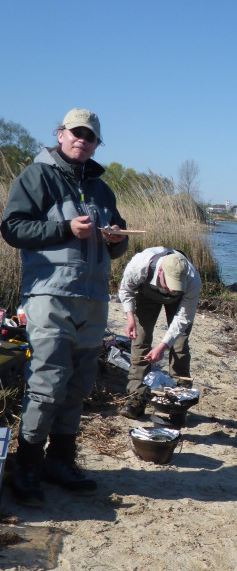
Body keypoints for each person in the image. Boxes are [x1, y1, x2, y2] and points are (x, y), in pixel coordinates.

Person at [1, 109, 128, 504]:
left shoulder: (103, 190)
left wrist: (116, 239)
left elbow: (120, 242)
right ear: (60, 135)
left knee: (78, 384)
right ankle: (26, 467)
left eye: (90, 136)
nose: (82, 140)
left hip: (93, 302)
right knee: (47, 382)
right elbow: (12, 228)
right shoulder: (36, 176)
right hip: (49, 295)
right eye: (76, 133)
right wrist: (64, 229)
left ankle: (61, 461)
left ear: (96, 144)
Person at [118, 247, 201, 418]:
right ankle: (136, 398)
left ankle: (178, 402)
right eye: (170, 285)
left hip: (178, 304)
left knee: (179, 346)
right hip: (147, 294)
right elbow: (126, 290)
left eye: (176, 286)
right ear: (161, 271)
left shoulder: (192, 280)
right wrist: (130, 317)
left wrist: (163, 346)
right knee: (140, 341)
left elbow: (183, 319)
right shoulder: (140, 265)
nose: (172, 290)